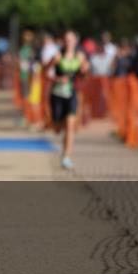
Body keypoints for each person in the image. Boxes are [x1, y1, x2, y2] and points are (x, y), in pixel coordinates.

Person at [48, 30, 89, 170]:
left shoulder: (80, 56)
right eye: (66, 40)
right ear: (63, 42)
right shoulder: (57, 56)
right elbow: (45, 73)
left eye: (71, 40)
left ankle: (66, 157)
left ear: (75, 41)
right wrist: (57, 79)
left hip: (72, 94)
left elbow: (84, 77)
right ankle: (57, 126)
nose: (68, 42)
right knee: (57, 129)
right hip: (57, 94)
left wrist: (85, 71)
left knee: (70, 126)